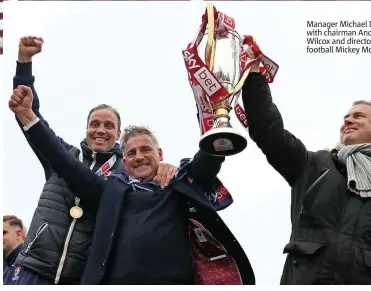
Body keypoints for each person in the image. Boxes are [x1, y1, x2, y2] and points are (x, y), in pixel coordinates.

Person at [9, 85, 255, 285]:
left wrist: (216, 123)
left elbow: (206, 164)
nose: (139, 157)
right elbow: (64, 163)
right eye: (132, 152)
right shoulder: (110, 190)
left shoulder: (177, 182)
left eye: (146, 150)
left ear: (160, 153)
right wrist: (28, 116)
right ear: (124, 162)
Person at [5, 36, 177, 285]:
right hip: (34, 269)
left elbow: (150, 174)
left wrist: (165, 167)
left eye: (109, 126)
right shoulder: (61, 154)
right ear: (85, 129)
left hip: (80, 277)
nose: (100, 130)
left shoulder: (126, 173)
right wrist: (24, 64)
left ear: (118, 134)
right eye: (94, 124)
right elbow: (32, 117)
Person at [241, 53, 371, 284]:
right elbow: (267, 130)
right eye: (346, 117)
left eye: (358, 116)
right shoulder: (314, 165)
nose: (348, 121)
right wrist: (254, 77)